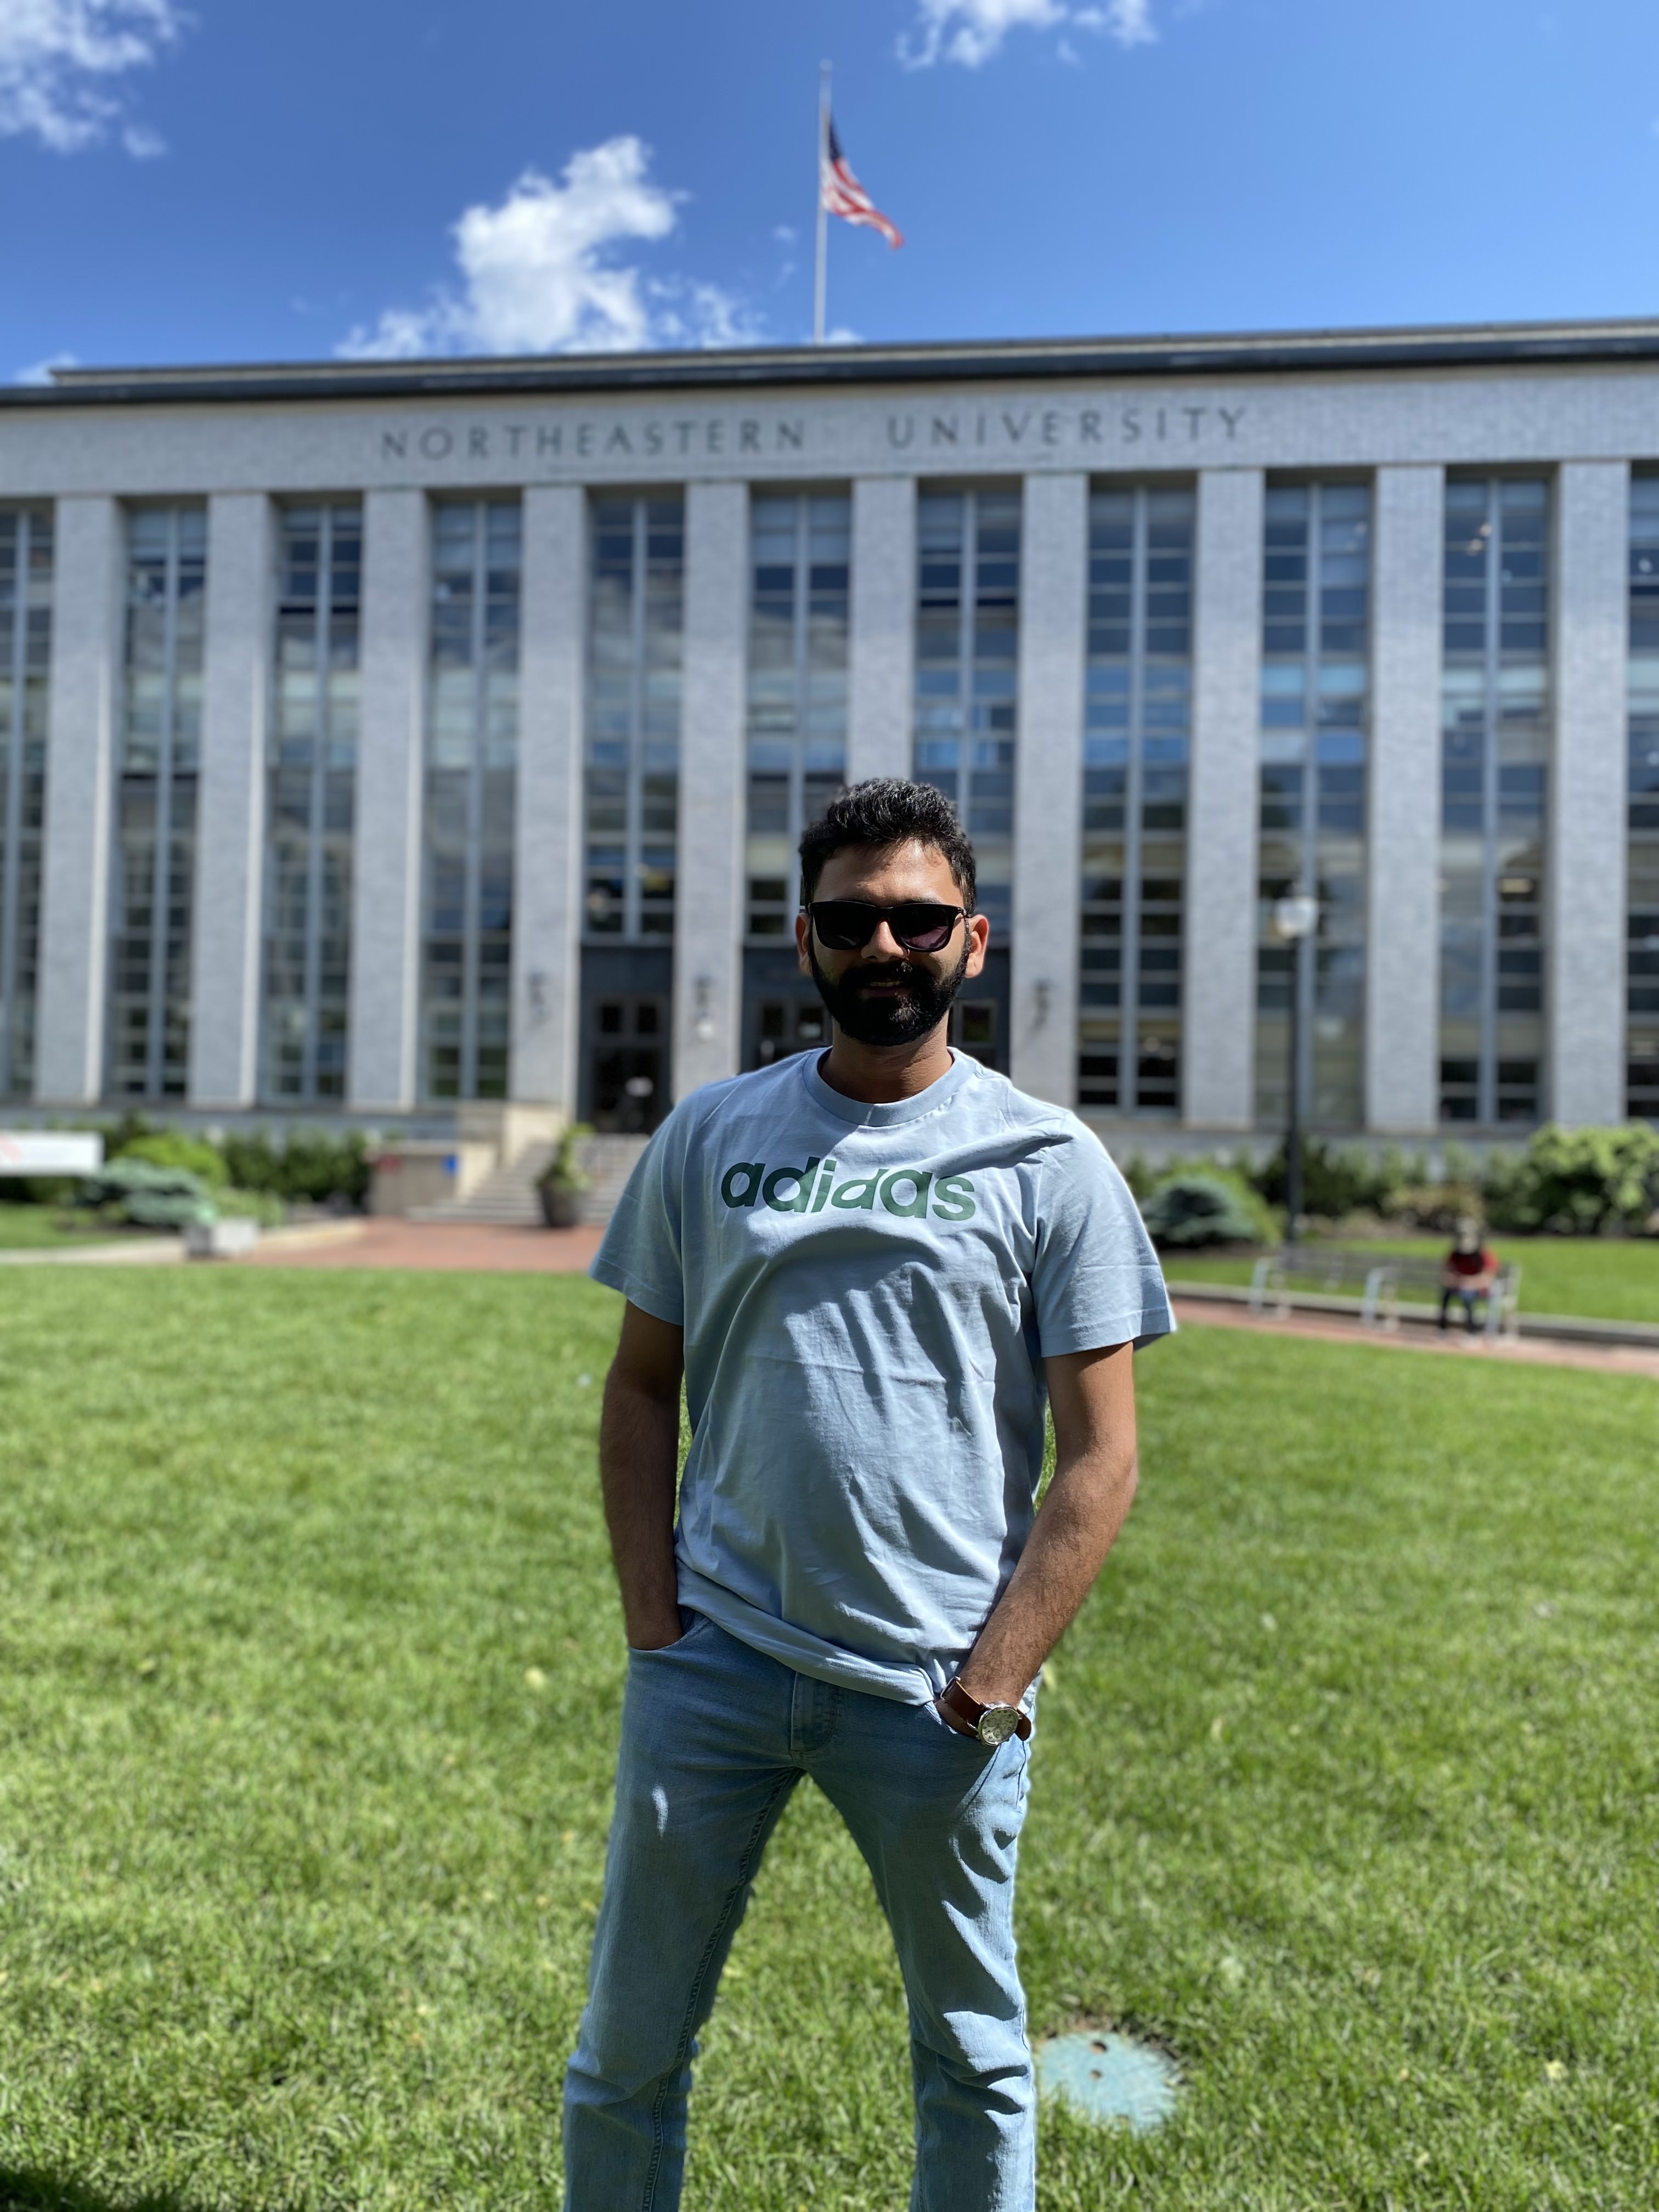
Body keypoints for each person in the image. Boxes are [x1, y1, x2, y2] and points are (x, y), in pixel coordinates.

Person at [562, 777, 1173, 2212]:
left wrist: (989, 1686)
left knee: (972, 2060)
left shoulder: (1052, 1164)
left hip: (935, 1690)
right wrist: (658, 1630)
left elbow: (1103, 1458)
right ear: (805, 940)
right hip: (712, 1670)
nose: (884, 945)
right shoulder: (711, 1139)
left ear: (975, 941)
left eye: (918, 919)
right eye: (853, 920)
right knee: (627, 2056)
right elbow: (640, 1386)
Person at [1440, 1216, 1498, 1333]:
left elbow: (1488, 1277)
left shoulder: (1483, 1254)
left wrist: (1469, 1282)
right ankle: (1443, 1328)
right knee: (1446, 1294)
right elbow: (1446, 1272)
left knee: (1467, 1296)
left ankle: (1473, 1331)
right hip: (1459, 1286)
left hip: (1479, 1289)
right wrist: (1453, 1280)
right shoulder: (1456, 1254)